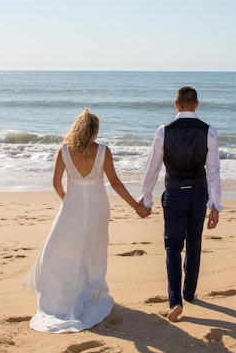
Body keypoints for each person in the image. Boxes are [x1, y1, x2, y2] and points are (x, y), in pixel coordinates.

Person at [24, 108, 149, 333]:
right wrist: (137, 207)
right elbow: (116, 184)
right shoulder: (103, 151)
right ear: (94, 131)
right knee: (92, 250)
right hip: (98, 208)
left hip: (71, 208)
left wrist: (69, 201)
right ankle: (88, 291)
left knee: (62, 249)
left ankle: (66, 292)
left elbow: (56, 182)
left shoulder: (64, 151)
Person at [139, 87, 222, 322]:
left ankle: (175, 301)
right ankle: (190, 292)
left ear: (176, 104)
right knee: (194, 242)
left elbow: (152, 167)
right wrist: (215, 206)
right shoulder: (209, 132)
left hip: (174, 193)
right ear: (196, 104)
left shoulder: (164, 131)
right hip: (198, 194)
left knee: (172, 247)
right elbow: (213, 172)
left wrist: (146, 198)